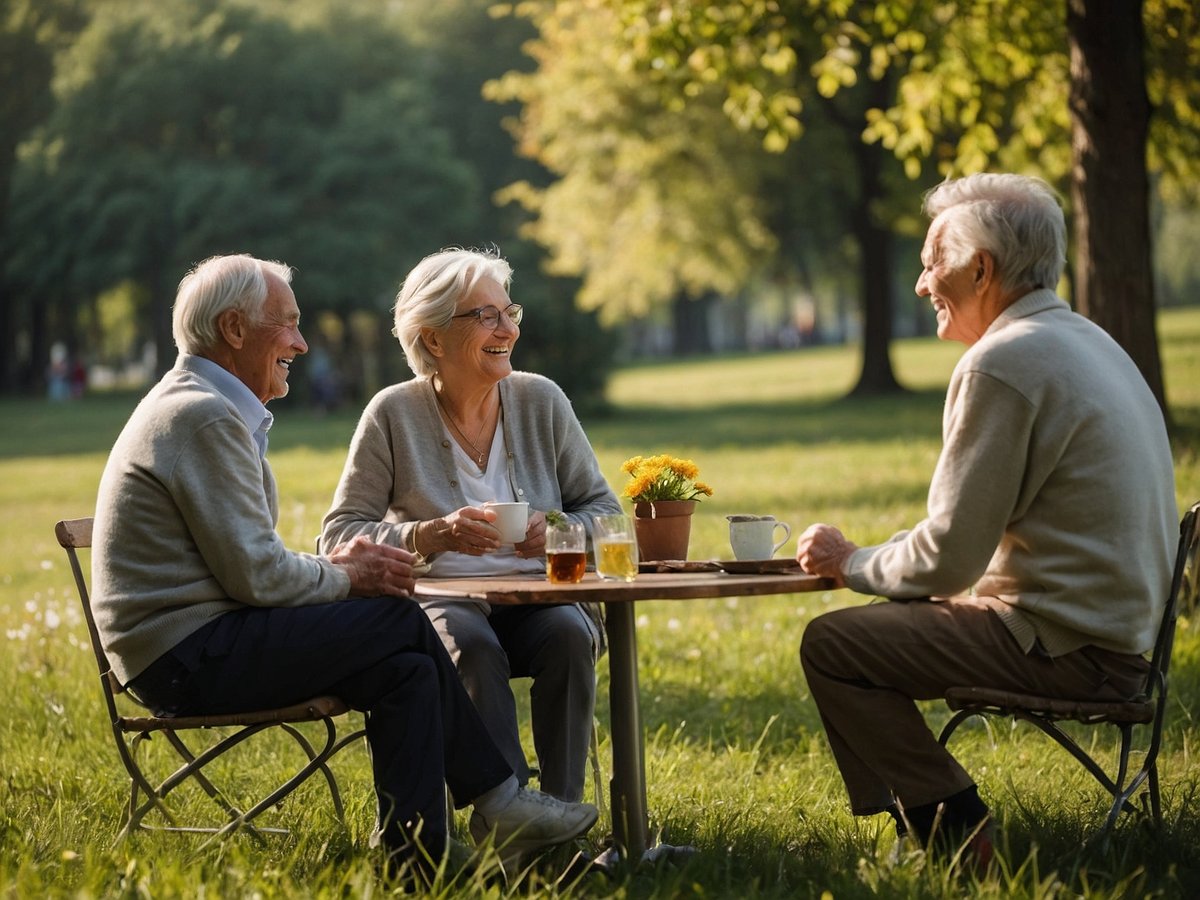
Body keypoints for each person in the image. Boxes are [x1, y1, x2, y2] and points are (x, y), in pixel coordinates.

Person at [91, 253, 597, 878]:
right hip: (184, 656)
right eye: (288, 325)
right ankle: (502, 801)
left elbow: (254, 566)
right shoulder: (202, 417)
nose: (302, 345)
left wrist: (345, 570)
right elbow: (260, 576)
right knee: (399, 621)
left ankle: (420, 867)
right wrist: (352, 573)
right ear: (233, 329)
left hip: (196, 641)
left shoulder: (203, 408)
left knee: (406, 666)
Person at [794, 174, 1177, 866]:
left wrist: (850, 561)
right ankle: (931, 830)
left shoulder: (1002, 361)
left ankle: (955, 835)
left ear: (982, 268)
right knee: (865, 636)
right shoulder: (1089, 339)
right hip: (1124, 643)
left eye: (931, 260)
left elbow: (947, 559)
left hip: (1069, 648)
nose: (920, 284)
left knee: (833, 646)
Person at [320, 247, 621, 810]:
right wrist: (431, 536)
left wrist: (554, 528)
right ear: (433, 339)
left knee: (570, 636)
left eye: (510, 312)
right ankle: (507, 819)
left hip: (538, 591)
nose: (507, 328)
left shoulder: (541, 399)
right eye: (486, 316)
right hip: (444, 597)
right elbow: (339, 537)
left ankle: (565, 812)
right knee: (472, 648)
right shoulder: (392, 414)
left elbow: (605, 514)